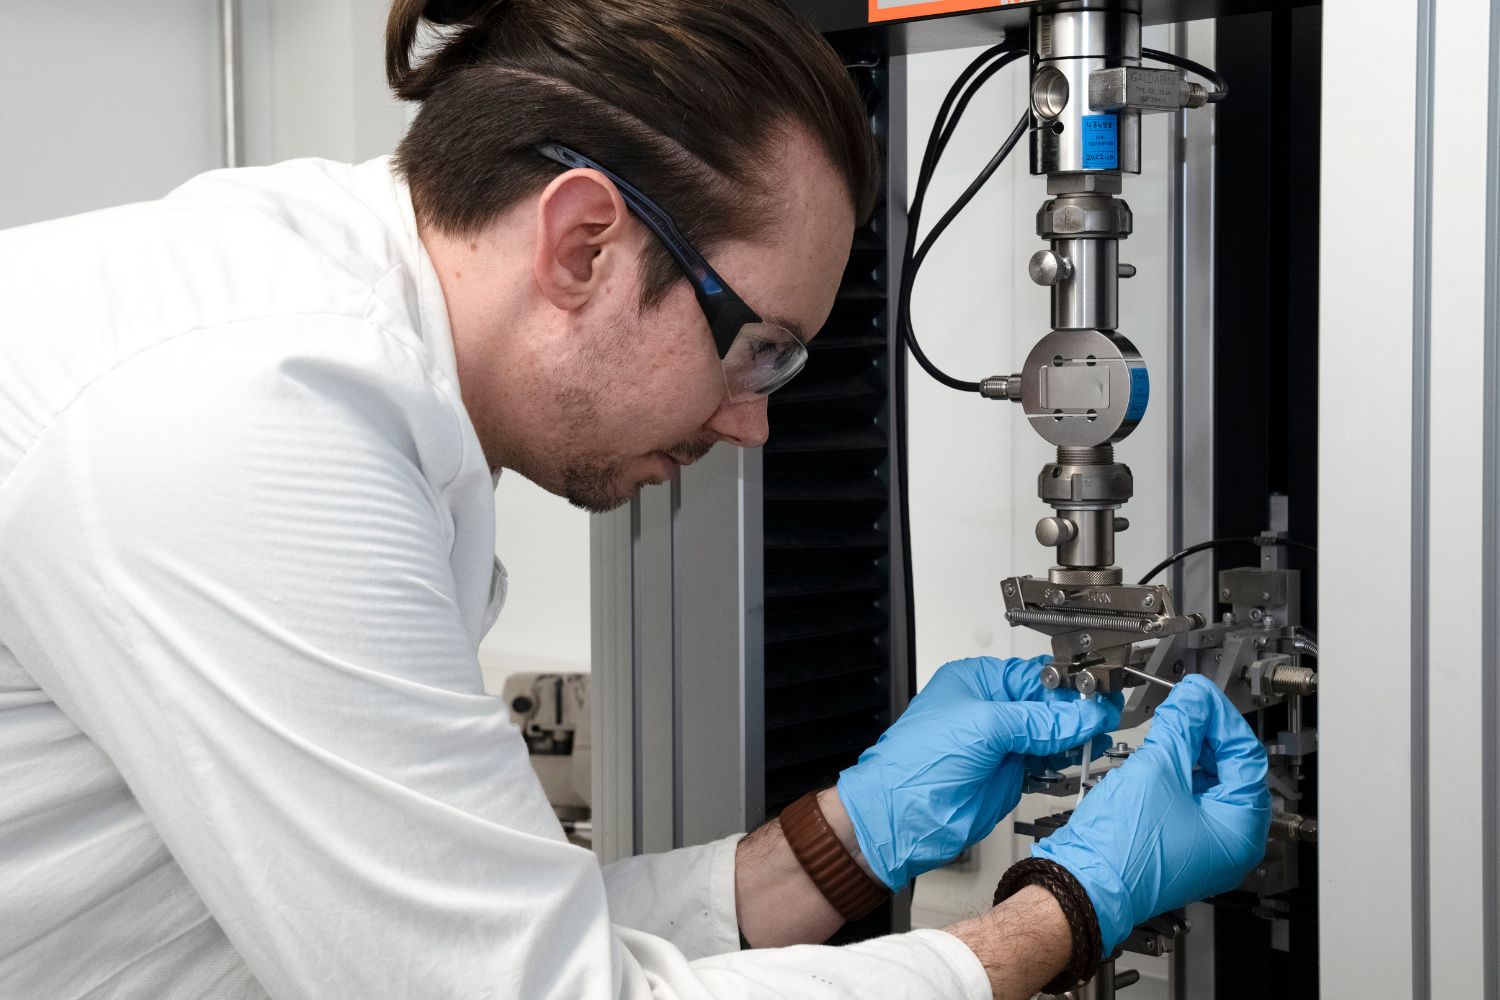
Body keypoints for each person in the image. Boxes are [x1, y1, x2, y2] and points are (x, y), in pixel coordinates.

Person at [0, 1, 1270, 997]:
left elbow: (482, 942)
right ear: (584, 244)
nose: (754, 423)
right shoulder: (248, 414)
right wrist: (1063, 912)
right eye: (758, 348)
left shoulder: (331, 348)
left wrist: (849, 836)